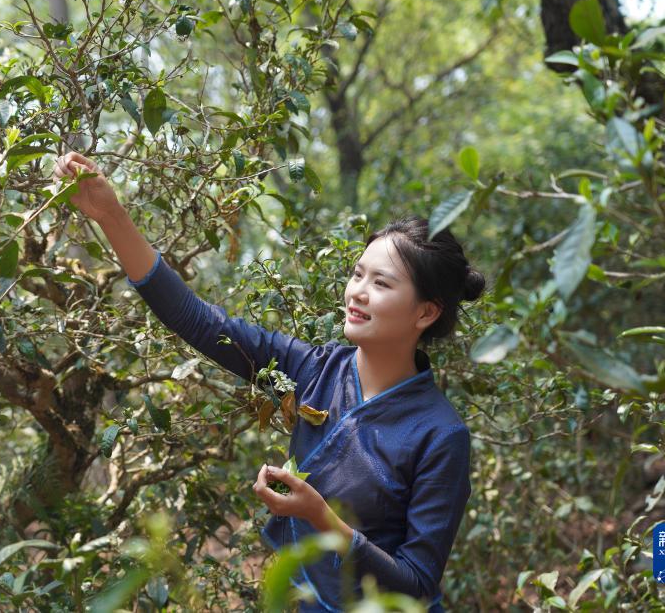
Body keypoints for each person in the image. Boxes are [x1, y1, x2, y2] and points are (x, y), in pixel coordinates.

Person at [52, 152, 485, 612]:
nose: (357, 291)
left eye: (381, 283)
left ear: (426, 311)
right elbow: (197, 320)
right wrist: (112, 215)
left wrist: (320, 517)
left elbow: (417, 583)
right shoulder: (314, 369)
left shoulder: (441, 434)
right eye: (357, 274)